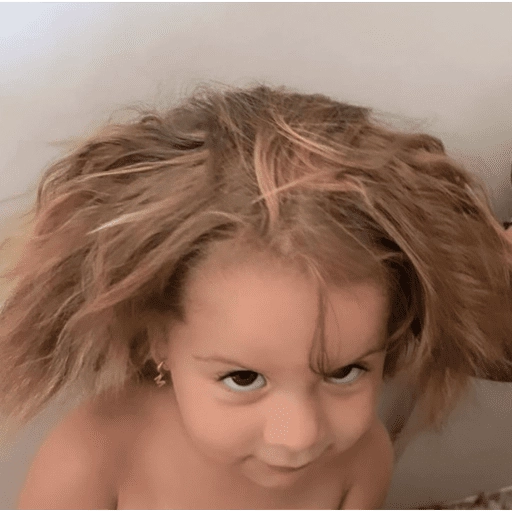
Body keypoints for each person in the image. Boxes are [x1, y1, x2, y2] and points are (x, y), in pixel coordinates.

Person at [1, 82, 511, 510]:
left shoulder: (362, 458)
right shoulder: (96, 455)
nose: (299, 436)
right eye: (243, 378)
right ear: (157, 339)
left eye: (344, 372)